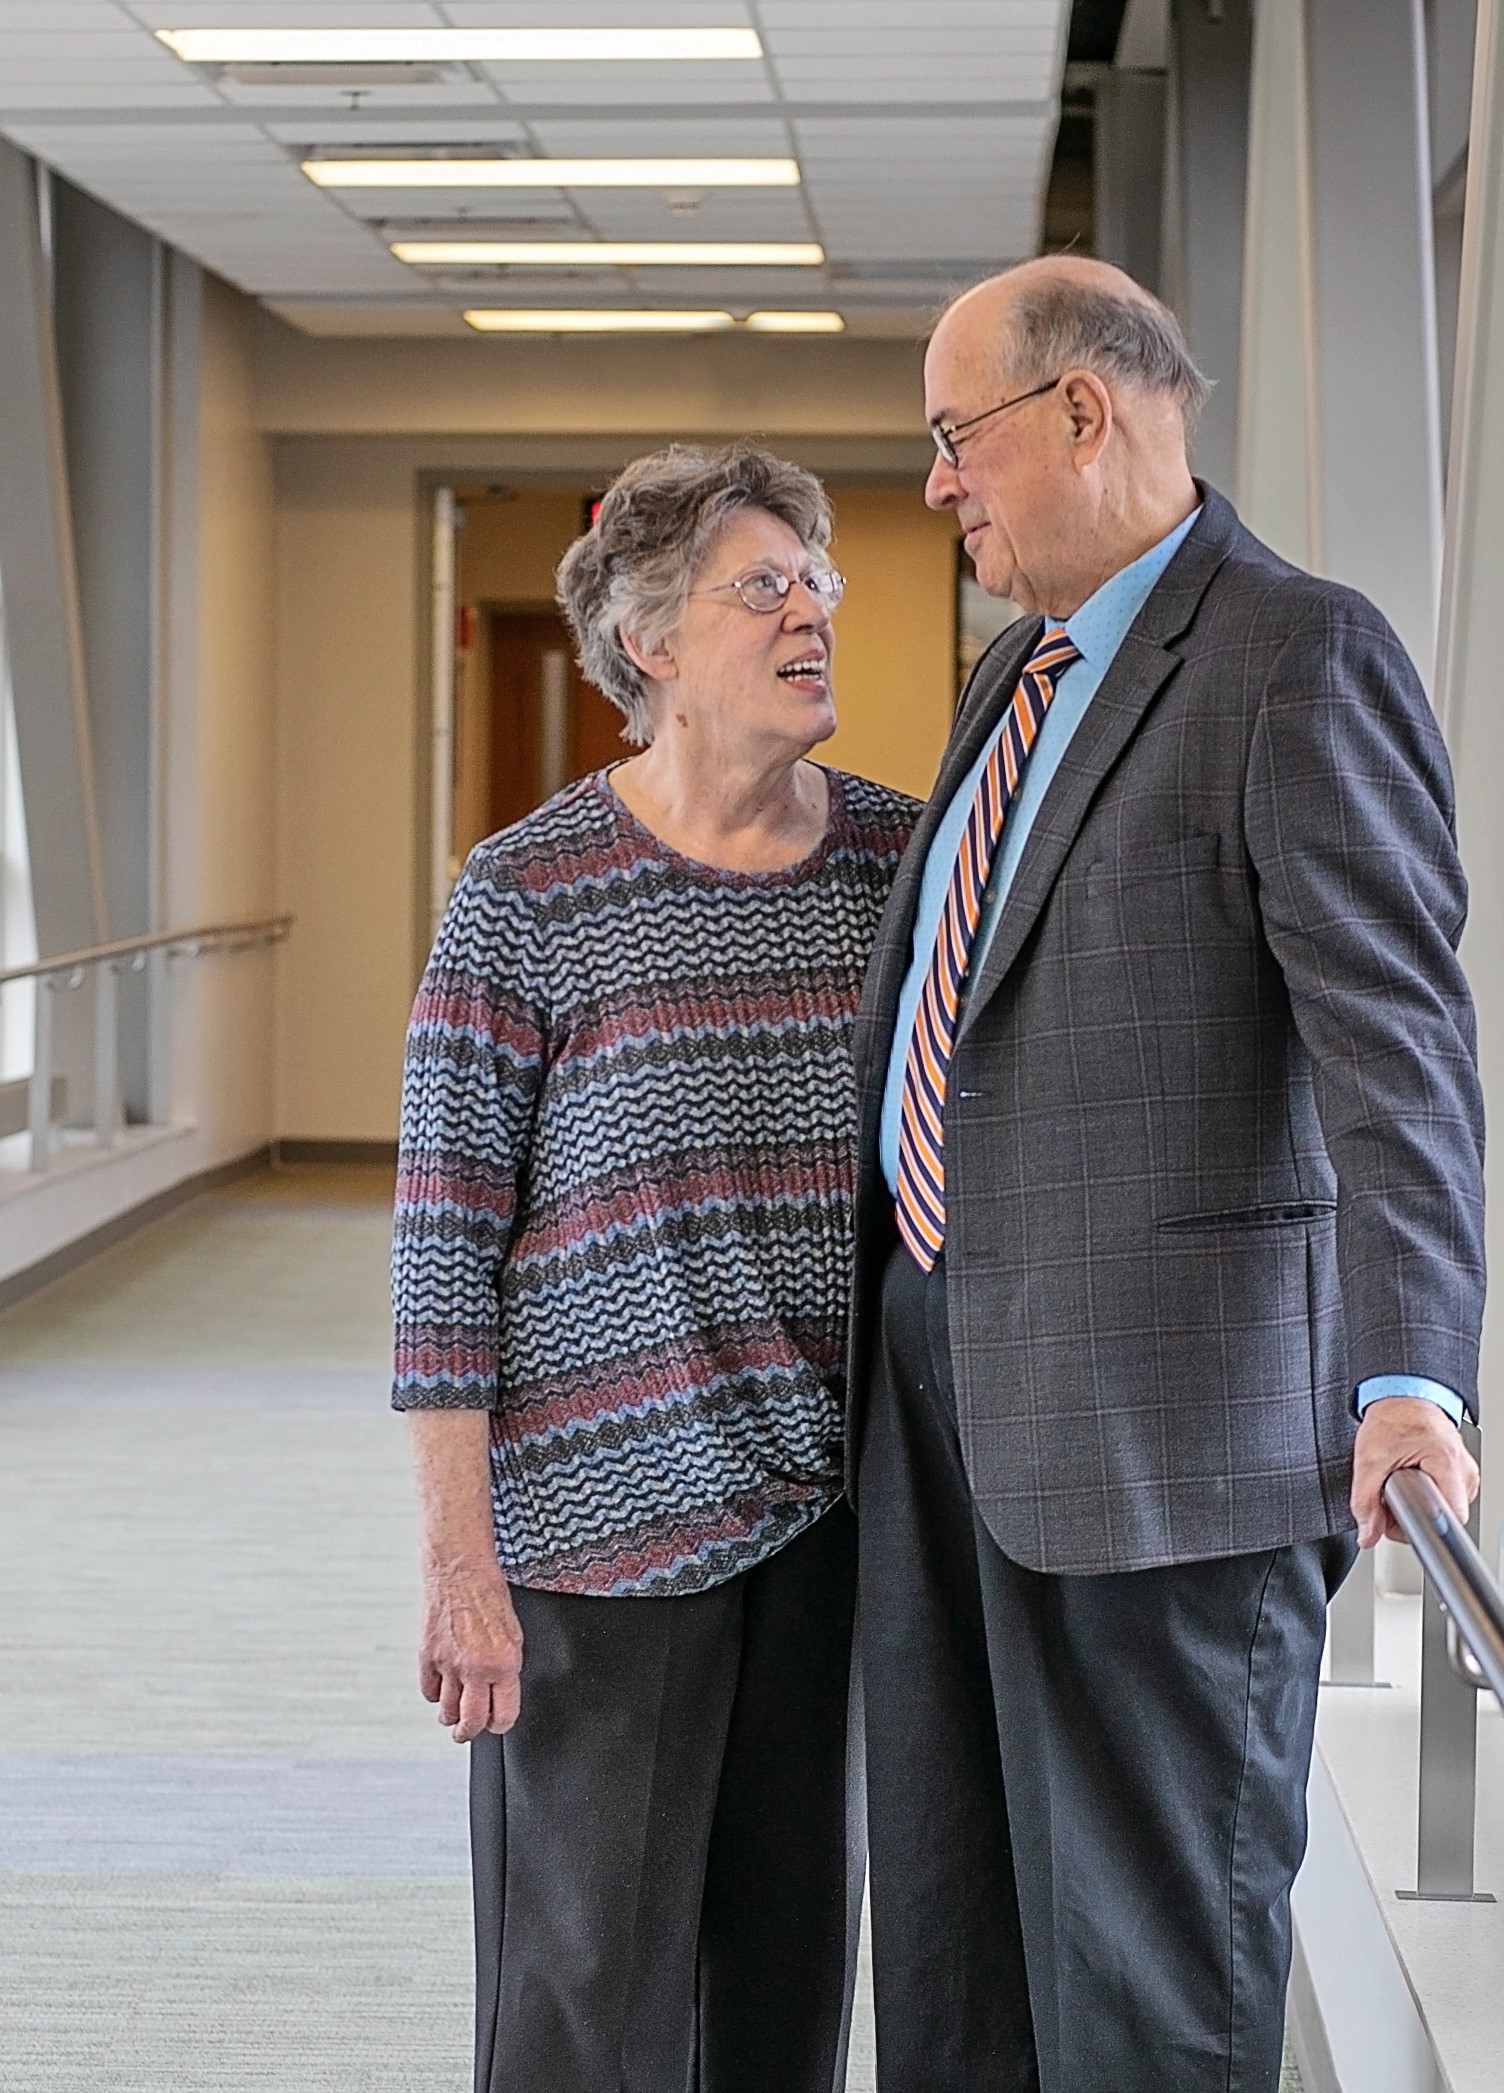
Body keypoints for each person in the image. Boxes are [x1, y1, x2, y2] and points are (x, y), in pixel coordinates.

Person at [847, 257, 1488, 2092]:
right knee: (958, 1944)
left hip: (1166, 1435)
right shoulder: (1013, 673)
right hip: (942, 1378)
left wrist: (1406, 1375)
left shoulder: (1296, 655)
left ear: (1079, 412)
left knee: (1143, 1976)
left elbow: (1400, 1051)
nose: (937, 487)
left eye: (953, 441)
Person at [389, 442, 917, 2093]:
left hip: (826, 1525)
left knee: (784, 1975)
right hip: (597, 1538)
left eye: (820, 579)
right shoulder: (527, 895)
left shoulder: (898, 869)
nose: (812, 611)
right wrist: (459, 1566)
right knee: (584, 1995)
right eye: (762, 585)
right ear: (649, 646)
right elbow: (442, 1257)